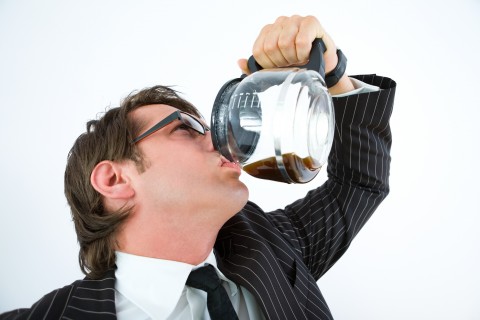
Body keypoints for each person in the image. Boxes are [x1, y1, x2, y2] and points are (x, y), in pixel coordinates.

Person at [0, 15, 396, 320]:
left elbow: (361, 180)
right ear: (114, 179)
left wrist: (332, 72)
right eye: (186, 129)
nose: (224, 139)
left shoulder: (271, 247)